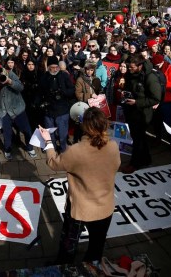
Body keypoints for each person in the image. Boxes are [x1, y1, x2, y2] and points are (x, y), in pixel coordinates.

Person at [38, 107, 120, 265]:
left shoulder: (75, 151)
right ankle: (91, 268)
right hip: (105, 208)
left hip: (80, 209)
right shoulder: (113, 146)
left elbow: (54, 163)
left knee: (69, 244)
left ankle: (64, 267)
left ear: (84, 127)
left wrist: (48, 141)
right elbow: (115, 166)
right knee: (96, 247)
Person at [0, 62, 37, 160]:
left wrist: (10, 81)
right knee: (7, 132)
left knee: (27, 130)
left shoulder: (10, 73)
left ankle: (30, 147)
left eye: (0, 71)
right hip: (4, 110)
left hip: (17, 108)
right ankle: (7, 150)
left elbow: (21, 87)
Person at [38, 56, 75, 152]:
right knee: (50, 135)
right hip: (49, 110)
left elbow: (72, 89)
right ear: (48, 67)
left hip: (62, 110)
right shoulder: (44, 77)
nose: (54, 69)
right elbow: (40, 92)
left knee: (62, 135)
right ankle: (52, 151)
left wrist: (64, 92)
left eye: (56, 67)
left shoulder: (64, 75)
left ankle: (63, 151)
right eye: (52, 67)